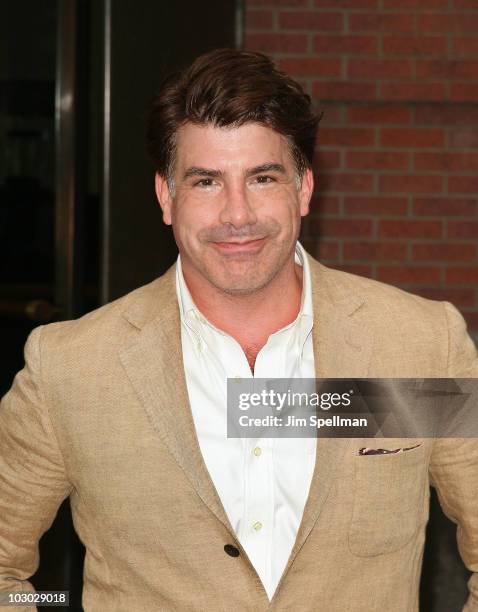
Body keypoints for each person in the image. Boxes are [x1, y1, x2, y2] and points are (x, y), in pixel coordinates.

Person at [0, 48, 477, 612]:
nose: (237, 214)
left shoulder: (419, 344)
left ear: (303, 188)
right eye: (205, 181)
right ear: (165, 196)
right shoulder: (71, 369)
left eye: (263, 177)